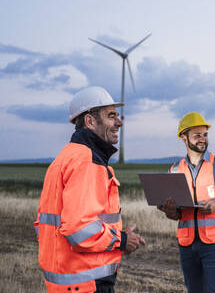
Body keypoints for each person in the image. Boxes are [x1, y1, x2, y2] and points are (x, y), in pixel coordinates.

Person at [34, 86, 145, 293]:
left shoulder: (65, 157)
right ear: (90, 121)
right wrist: (121, 240)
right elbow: (79, 228)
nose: (119, 122)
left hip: (67, 280)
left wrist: (117, 235)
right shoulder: (87, 161)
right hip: (86, 282)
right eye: (111, 116)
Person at [157, 112, 215, 293]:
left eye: (205, 135)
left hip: (214, 244)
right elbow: (177, 215)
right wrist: (168, 210)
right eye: (197, 135)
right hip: (187, 245)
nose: (203, 139)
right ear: (184, 138)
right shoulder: (175, 169)